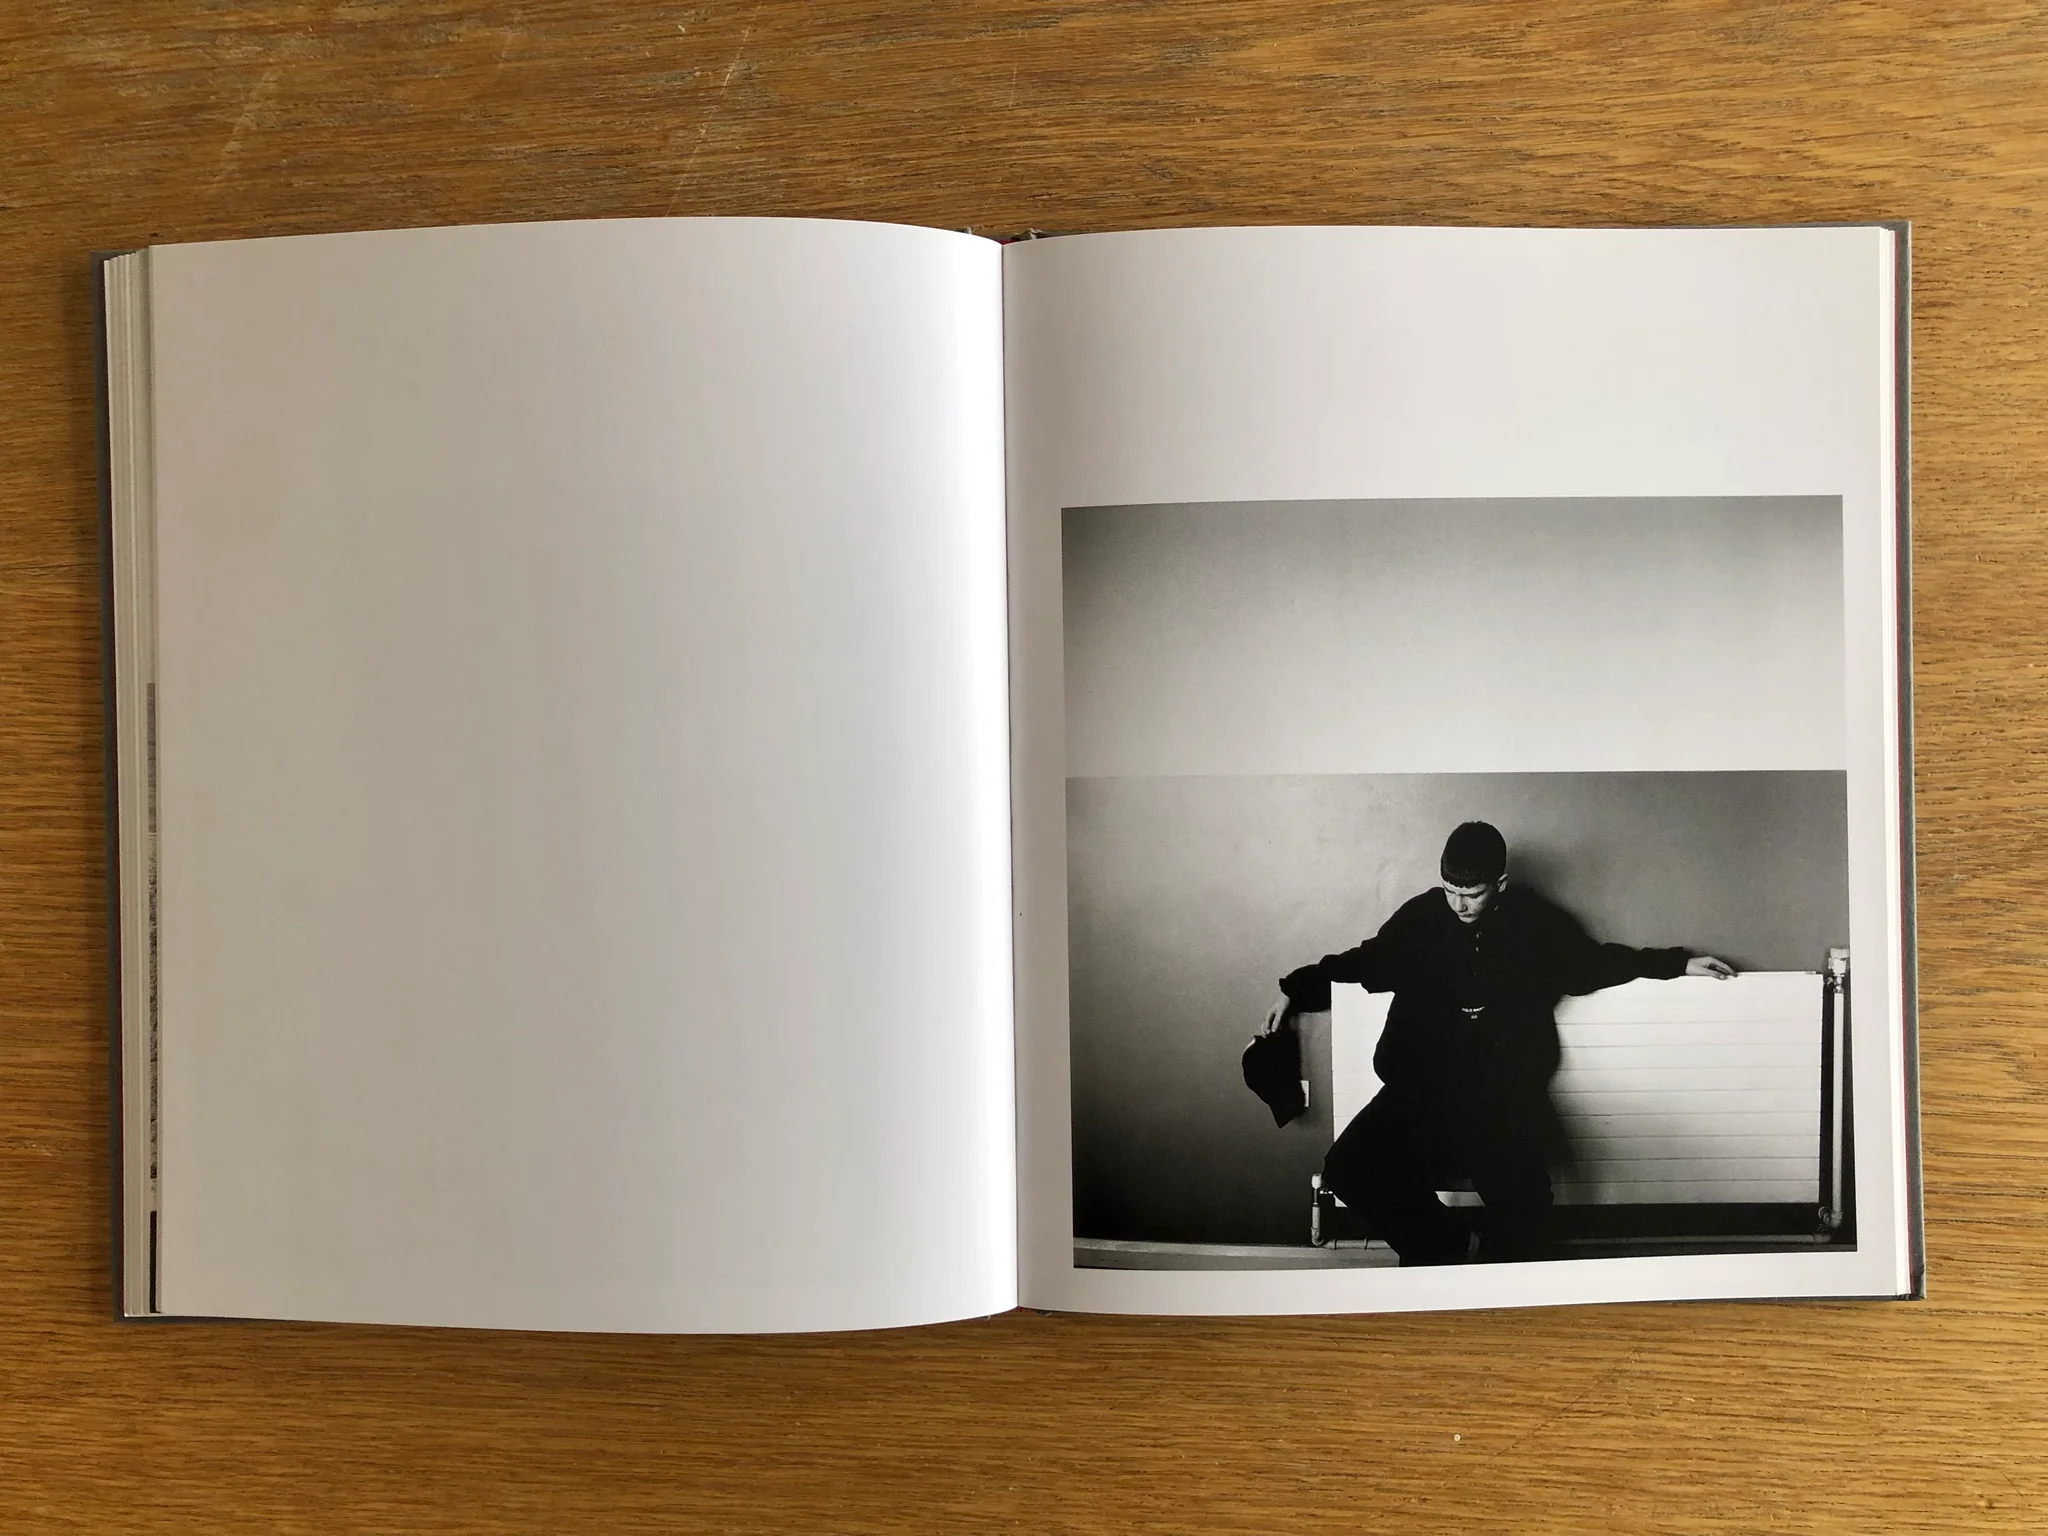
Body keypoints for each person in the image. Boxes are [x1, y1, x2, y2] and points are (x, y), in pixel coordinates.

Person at [1268, 821, 1735, 1266]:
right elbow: (1363, 961)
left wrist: (1676, 964)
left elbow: (1594, 963)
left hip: (1500, 1098)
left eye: (1472, 894)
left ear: (1501, 884)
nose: (1459, 904)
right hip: (1421, 1092)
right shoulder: (1421, 919)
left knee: (1529, 1213)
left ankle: (1483, 1273)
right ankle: (1448, 1246)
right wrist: (1295, 989)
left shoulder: (1535, 923)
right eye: (1450, 891)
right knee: (1348, 1168)